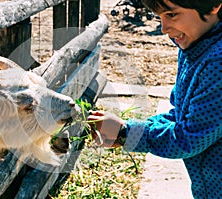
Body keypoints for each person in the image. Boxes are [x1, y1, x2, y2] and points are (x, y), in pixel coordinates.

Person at [88, 0, 222, 198]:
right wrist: (126, 129)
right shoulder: (196, 46)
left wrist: (126, 133)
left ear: (213, 5)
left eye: (171, 15)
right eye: (159, 16)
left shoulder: (217, 63)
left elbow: (190, 137)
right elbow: (180, 114)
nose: (164, 28)